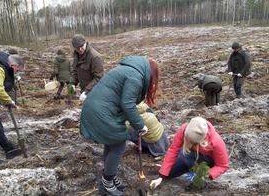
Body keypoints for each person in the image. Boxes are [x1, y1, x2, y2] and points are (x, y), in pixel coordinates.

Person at [80, 56, 160, 195]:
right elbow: (127, 104)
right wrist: (140, 125)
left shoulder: (127, 69)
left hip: (95, 108)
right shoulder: (135, 77)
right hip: (101, 112)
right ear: (151, 74)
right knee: (118, 146)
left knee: (111, 143)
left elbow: (124, 101)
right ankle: (107, 183)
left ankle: (109, 176)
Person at [150, 117, 229, 190]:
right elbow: (173, 150)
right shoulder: (184, 130)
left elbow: (223, 165)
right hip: (189, 156)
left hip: (207, 163)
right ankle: (190, 168)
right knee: (168, 174)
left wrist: (206, 174)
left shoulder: (216, 142)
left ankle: (197, 175)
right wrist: (161, 176)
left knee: (196, 184)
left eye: (193, 142)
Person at [71, 34, 104, 101]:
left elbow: (99, 77)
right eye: (77, 48)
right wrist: (72, 83)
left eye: (81, 46)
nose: (80, 49)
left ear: (85, 43)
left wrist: (87, 91)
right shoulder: (77, 56)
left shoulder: (95, 57)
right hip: (84, 91)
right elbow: (75, 71)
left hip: (95, 93)